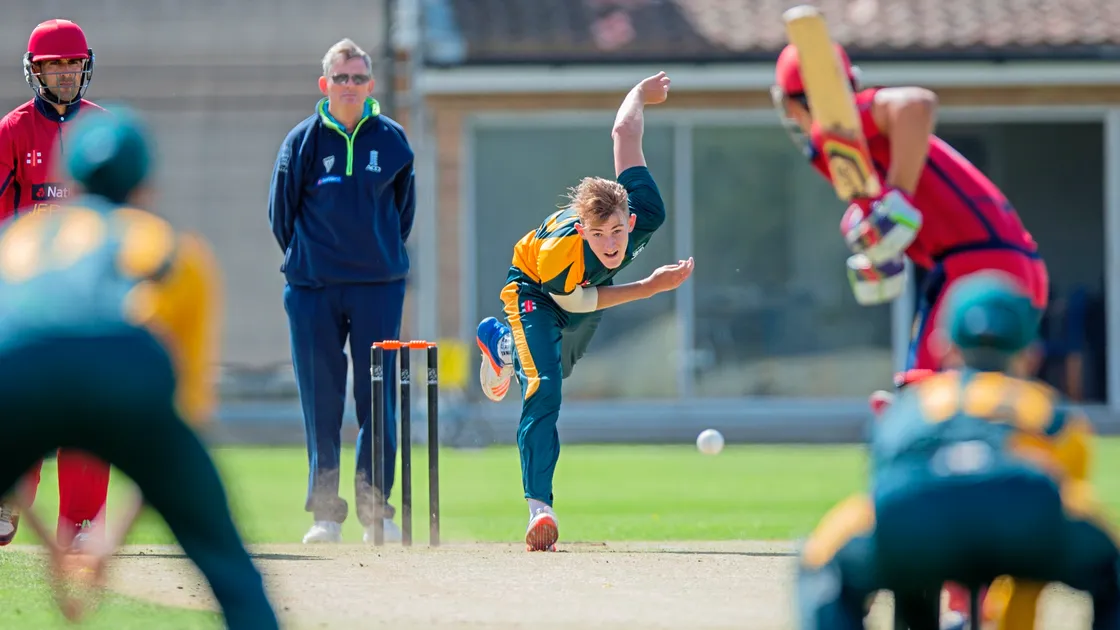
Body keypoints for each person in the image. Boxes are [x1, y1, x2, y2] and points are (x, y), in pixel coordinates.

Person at [772, 42, 1050, 622]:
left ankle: (946, 580)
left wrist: (894, 193)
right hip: (975, 266)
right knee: (954, 410)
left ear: (796, 102)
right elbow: (905, 230)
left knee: (923, 411)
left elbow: (918, 103)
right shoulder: (836, 150)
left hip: (978, 266)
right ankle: (969, 584)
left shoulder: (856, 117)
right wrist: (882, 249)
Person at [0, 106, 279, 628]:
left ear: (70, 181)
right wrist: (106, 544)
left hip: (19, 370)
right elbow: (184, 417)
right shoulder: (176, 247)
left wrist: (44, 541)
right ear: (146, 187)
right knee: (228, 563)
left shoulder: (18, 238)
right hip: (124, 366)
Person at [796, 272, 1115, 630]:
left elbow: (885, 485)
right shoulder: (1051, 413)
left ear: (944, 344)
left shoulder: (911, 407)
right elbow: (1057, 505)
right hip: (1024, 508)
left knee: (824, 560)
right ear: (1031, 353)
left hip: (917, 509)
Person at [474, 72, 694, 551]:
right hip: (536, 289)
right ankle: (540, 508)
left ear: (629, 220)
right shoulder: (561, 252)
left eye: (617, 232)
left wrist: (638, 93)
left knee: (561, 365)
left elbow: (624, 135)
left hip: (586, 288)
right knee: (545, 386)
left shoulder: (646, 212)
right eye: (599, 236)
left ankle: (504, 347)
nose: (612, 243)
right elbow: (578, 301)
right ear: (583, 233)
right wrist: (650, 287)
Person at [268, 38, 416, 545]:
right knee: (321, 400)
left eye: (357, 78)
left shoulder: (393, 140)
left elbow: (404, 214)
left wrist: (377, 257)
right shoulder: (302, 141)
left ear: (370, 85)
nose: (349, 86)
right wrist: (311, 262)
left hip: (378, 286)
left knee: (377, 399)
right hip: (313, 288)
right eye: (340, 78)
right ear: (324, 84)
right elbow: (280, 216)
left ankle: (377, 513)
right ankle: (325, 516)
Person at [0, 18, 111, 549]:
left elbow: (121, 219)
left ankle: (84, 522)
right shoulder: (13, 131)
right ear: (34, 71)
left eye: (71, 64)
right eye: (52, 65)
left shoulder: (106, 131)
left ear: (85, 66)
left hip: (87, 298)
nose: (64, 74)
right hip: (27, 296)